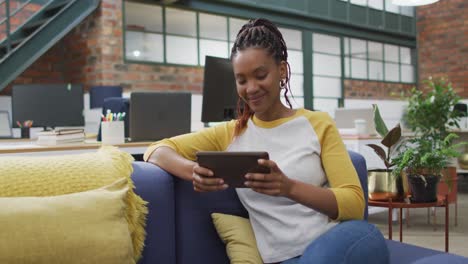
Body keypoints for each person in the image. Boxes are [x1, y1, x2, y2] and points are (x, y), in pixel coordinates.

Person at [144, 18, 389, 264]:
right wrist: (192, 171)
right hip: (283, 258)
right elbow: (156, 150)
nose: (251, 88)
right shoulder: (230, 133)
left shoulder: (318, 124)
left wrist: (288, 187)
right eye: (241, 80)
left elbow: (355, 204)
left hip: (337, 242)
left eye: (260, 75)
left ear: (281, 71)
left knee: (354, 242)